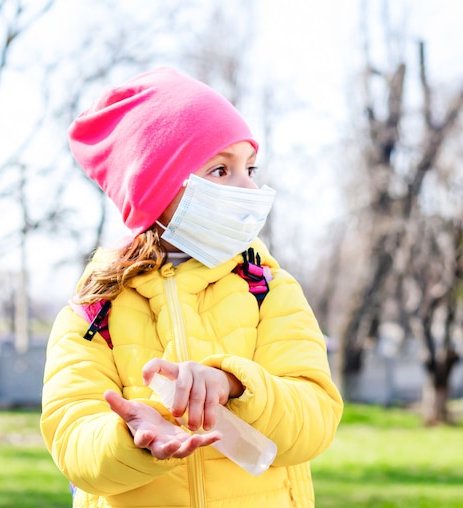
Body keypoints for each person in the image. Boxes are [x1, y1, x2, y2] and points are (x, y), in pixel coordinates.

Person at [40, 66, 343, 508]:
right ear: (152, 192)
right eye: (221, 170)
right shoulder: (91, 313)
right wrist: (132, 440)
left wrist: (236, 385)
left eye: (249, 167)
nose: (249, 187)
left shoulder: (267, 289)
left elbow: (314, 419)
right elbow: (72, 440)